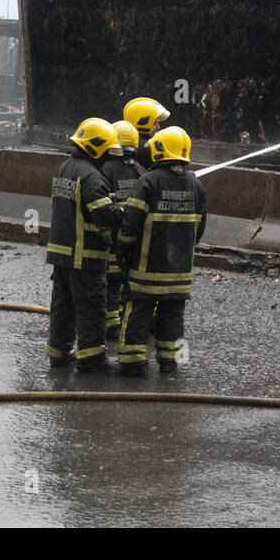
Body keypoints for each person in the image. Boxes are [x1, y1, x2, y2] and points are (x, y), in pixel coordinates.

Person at [114, 125, 206, 374]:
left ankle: (133, 363)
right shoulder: (196, 186)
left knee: (138, 313)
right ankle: (169, 361)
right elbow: (199, 229)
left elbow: (130, 221)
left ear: (160, 151)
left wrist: (122, 248)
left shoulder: (148, 181)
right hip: (179, 274)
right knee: (173, 316)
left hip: (146, 271)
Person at [45, 117, 121, 371]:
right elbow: (103, 216)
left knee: (63, 308)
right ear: (98, 147)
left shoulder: (63, 168)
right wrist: (122, 210)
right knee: (90, 308)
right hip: (85, 256)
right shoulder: (91, 176)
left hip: (60, 253)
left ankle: (59, 352)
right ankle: (91, 359)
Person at [99, 120, 145, 339]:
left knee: (110, 284)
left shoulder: (106, 169)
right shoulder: (140, 170)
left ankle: (111, 325)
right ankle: (126, 321)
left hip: (111, 239)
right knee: (126, 285)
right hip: (132, 241)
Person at [122, 96, 171, 170]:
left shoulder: (121, 142)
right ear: (143, 122)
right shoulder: (148, 147)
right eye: (155, 123)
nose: (158, 127)